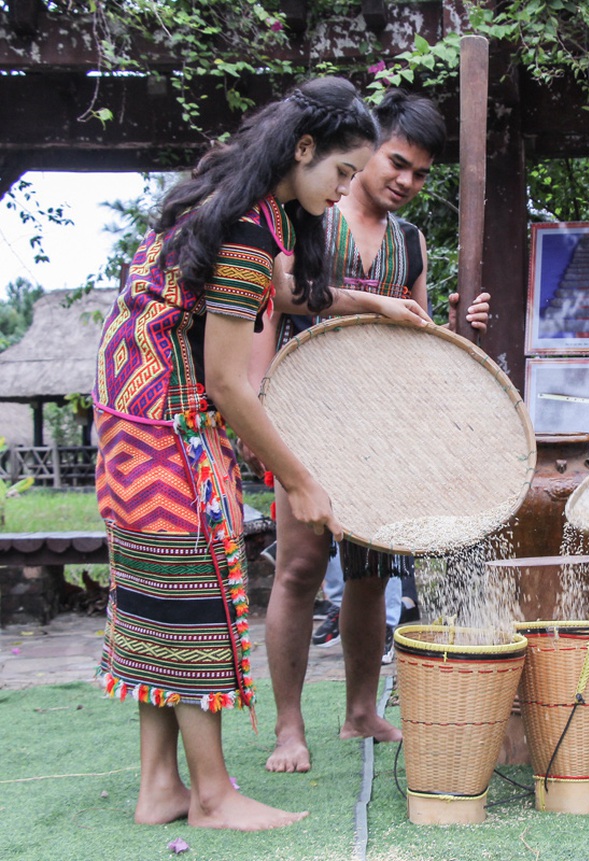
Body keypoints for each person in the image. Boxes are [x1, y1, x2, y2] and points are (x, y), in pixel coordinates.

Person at [93, 77, 432, 831]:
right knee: (194, 598)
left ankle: (160, 786)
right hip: (166, 426)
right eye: (343, 173)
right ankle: (213, 794)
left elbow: (281, 291)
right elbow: (225, 378)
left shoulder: (235, 204)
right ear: (303, 150)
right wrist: (301, 478)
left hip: (127, 417)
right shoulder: (250, 227)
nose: (347, 188)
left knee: (156, 599)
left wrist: (374, 301)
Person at [261, 88, 490, 774]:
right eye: (396, 162)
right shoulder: (310, 215)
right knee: (300, 568)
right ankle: (288, 727)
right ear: (365, 149)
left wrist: (457, 328)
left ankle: (361, 709)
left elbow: (417, 349)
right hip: (303, 420)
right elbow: (275, 299)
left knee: (369, 571)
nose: (406, 181)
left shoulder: (410, 244)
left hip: (380, 432)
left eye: (421, 174)